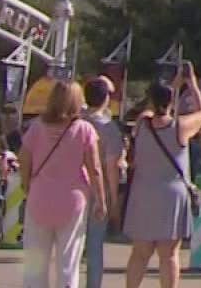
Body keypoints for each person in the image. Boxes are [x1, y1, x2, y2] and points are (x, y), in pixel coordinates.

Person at [123, 66, 201, 288]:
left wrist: (173, 85)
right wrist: (192, 85)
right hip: (171, 194)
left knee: (140, 253)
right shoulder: (180, 127)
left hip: (143, 192)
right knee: (169, 255)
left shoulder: (142, 123)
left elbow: (155, 104)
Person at [19, 79, 107, 288]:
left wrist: (27, 186)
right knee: (68, 262)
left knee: (35, 262)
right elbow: (94, 168)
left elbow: (24, 159)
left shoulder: (36, 127)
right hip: (72, 198)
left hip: (40, 195)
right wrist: (100, 199)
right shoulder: (85, 130)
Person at [79, 77, 124, 288]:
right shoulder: (108, 128)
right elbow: (111, 167)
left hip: (72, 187)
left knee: (69, 245)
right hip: (98, 190)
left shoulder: (73, 121)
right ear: (105, 99)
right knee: (95, 246)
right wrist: (114, 199)